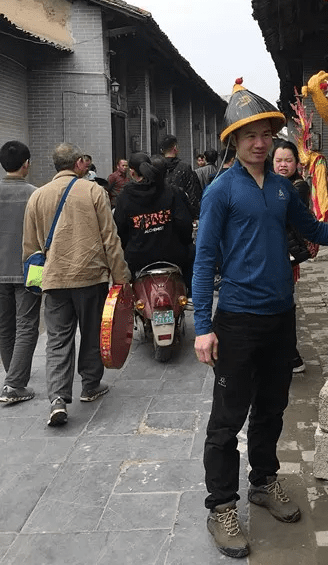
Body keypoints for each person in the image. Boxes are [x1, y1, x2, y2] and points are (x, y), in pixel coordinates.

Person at [193, 79, 328, 559]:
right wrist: (203, 326)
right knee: (227, 420)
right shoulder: (221, 192)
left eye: (266, 133)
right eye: (250, 135)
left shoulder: (285, 189)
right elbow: (204, 261)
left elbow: (313, 230)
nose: (260, 142)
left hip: (280, 317)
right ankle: (221, 505)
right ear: (234, 141)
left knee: (272, 408)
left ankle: (263, 481)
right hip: (237, 320)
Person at [22, 143, 131, 427]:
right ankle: (90, 385)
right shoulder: (94, 191)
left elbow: (30, 248)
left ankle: (57, 399)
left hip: (54, 279)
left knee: (58, 339)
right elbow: (110, 237)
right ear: (79, 162)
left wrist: (37, 281)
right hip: (90, 277)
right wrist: (121, 276)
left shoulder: (38, 196)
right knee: (92, 330)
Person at [0, 141, 41, 405]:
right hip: (32, 269)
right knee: (28, 325)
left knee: (5, 326)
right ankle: (14, 384)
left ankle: (13, 372)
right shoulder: (36, 194)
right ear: (26, 164)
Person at [114, 153, 193, 278]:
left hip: (138, 261)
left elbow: (120, 231)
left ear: (132, 172)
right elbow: (185, 223)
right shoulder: (171, 191)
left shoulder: (124, 198)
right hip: (174, 257)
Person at [273, 139, 312, 374]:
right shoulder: (274, 183)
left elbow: (284, 213)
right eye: (279, 160)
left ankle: (292, 356)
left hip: (286, 255)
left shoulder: (298, 186)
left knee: (285, 305)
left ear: (296, 163)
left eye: (288, 160)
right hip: (275, 253)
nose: (283, 165)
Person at [159, 135, 201, 219]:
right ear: (175, 148)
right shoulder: (184, 168)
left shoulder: (157, 167)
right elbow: (193, 194)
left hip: (161, 216)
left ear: (162, 150)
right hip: (181, 215)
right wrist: (194, 215)